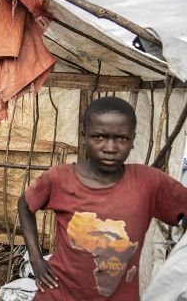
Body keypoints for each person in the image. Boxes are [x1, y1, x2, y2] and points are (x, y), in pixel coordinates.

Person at [17, 96, 187, 300]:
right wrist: (36, 259)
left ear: (133, 140)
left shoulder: (150, 182)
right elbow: (25, 204)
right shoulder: (60, 178)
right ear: (83, 136)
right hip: (59, 293)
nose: (110, 147)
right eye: (99, 137)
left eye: (121, 138)